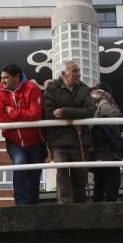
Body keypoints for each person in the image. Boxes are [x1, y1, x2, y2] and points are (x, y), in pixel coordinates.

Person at [0, 63, 47, 206]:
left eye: (6, 78)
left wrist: (12, 112)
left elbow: (35, 115)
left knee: (35, 173)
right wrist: (22, 115)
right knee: (20, 163)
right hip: (14, 141)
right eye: (1, 78)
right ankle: (20, 203)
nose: (2, 81)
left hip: (36, 140)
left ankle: (32, 205)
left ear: (16, 77)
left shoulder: (32, 88)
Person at [43, 60, 95, 203]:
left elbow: (91, 111)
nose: (78, 74)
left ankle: (80, 208)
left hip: (80, 141)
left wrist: (66, 112)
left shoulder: (85, 89)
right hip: (59, 142)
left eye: (78, 70)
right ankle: (65, 208)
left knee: (81, 176)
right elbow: (48, 113)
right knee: (62, 175)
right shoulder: (52, 89)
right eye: (74, 71)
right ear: (64, 74)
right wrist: (75, 119)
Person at [89, 82, 122, 202]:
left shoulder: (92, 103)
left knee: (99, 181)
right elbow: (114, 115)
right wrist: (111, 100)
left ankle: (97, 211)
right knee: (113, 180)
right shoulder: (104, 102)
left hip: (97, 150)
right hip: (107, 150)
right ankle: (110, 209)